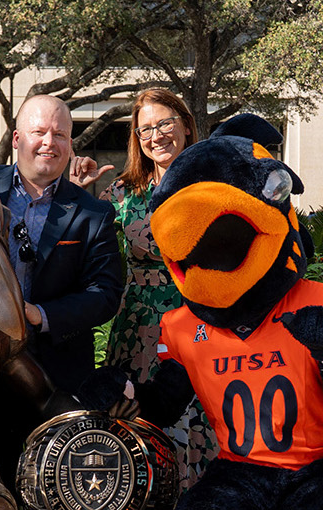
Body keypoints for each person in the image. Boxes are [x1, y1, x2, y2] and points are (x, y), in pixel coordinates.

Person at [77, 89, 218, 488]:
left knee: (202, 423)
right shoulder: (122, 195)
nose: (156, 136)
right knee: (138, 427)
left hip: (203, 327)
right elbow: (88, 253)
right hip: (139, 332)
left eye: (165, 124)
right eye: (145, 130)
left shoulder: (217, 188)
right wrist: (78, 194)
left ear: (187, 126)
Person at [0, 95, 124, 394]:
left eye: (59, 134)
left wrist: (40, 314)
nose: (49, 142)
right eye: (39, 132)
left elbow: (105, 294)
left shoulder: (93, 214)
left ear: (70, 144)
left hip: (56, 374)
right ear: (17, 139)